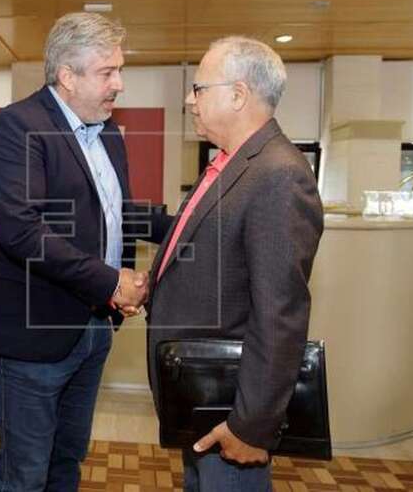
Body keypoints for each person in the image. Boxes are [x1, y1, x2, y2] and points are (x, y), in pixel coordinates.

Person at [0, 12, 172, 491]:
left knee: (67, 462)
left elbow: (118, 213)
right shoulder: (18, 126)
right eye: (108, 72)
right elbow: (20, 229)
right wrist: (111, 282)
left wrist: (188, 226)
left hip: (92, 329)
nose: (119, 84)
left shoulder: (107, 132)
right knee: (24, 475)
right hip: (31, 337)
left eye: (119, 70)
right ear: (67, 75)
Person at [146, 36, 324, 492]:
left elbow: (279, 313)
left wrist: (252, 425)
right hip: (202, 395)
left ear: (238, 94)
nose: (190, 100)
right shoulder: (233, 164)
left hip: (232, 410)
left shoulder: (278, 174)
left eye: (199, 88)